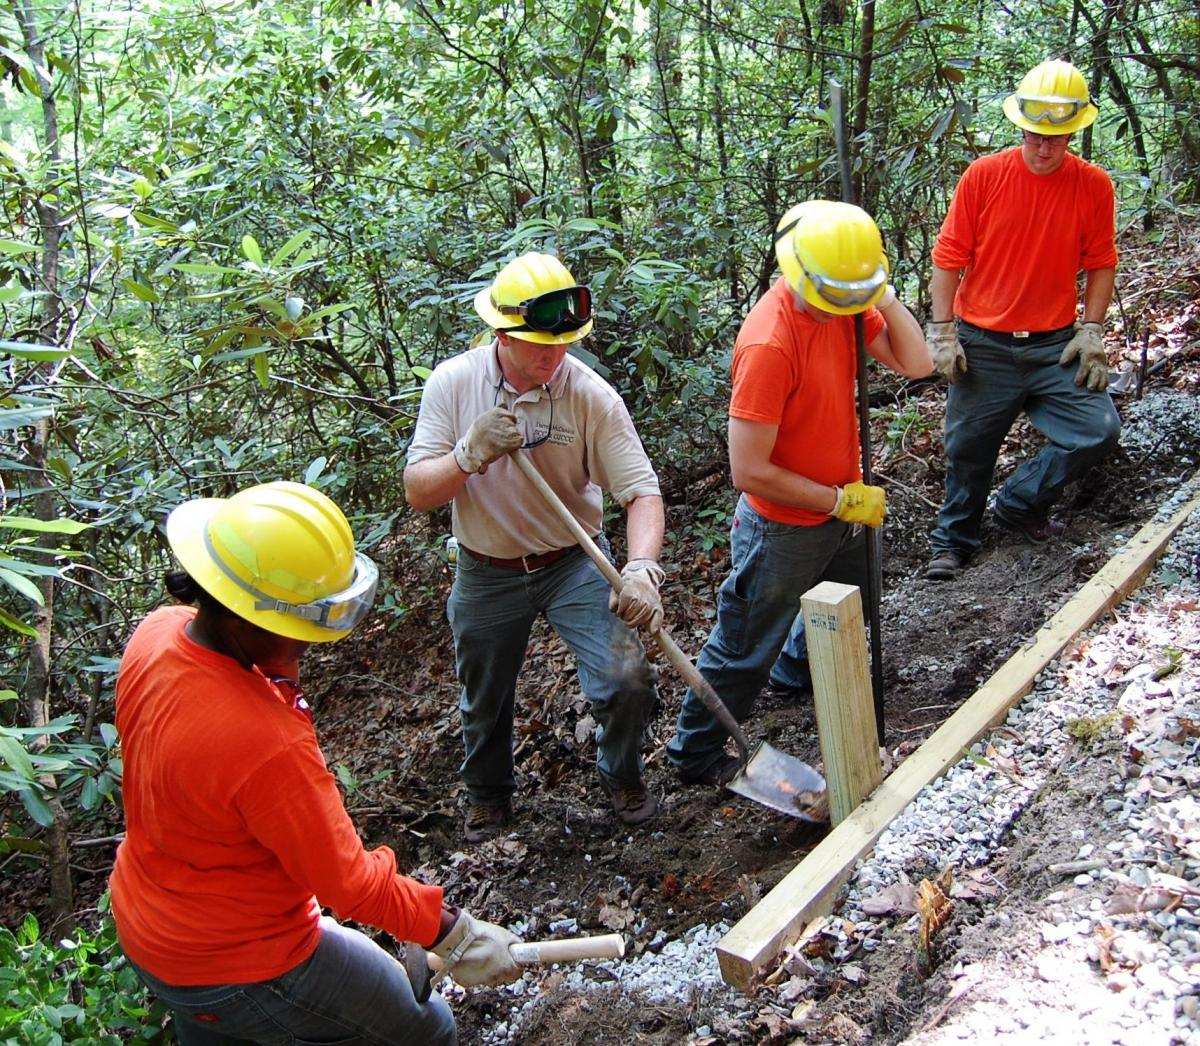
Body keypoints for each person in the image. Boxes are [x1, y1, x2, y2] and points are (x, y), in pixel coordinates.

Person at [109, 481, 523, 1045]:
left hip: (153, 928)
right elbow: (347, 882)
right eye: (301, 628)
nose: (310, 645)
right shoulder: (261, 738)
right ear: (248, 618)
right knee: (427, 1030)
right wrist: (453, 935)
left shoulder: (155, 634)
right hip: (246, 961)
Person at [667, 201, 932, 785]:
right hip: (782, 525)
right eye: (837, 294)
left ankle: (797, 671)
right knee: (744, 645)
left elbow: (918, 362)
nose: (841, 307)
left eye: (851, 294)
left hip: (841, 505)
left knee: (852, 602)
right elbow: (749, 470)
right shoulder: (771, 343)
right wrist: (836, 502)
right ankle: (695, 752)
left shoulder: (844, 303)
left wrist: (877, 294)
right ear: (798, 272)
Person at [403, 252, 665, 842]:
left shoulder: (590, 395)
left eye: (564, 342)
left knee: (626, 679)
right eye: (539, 345)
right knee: (484, 694)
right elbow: (419, 490)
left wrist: (644, 566)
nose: (554, 355)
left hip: (574, 561)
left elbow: (641, 493)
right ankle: (488, 794)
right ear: (502, 333)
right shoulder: (454, 384)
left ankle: (621, 774)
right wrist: (468, 455)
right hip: (487, 567)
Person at [924, 58, 1122, 581]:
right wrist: (942, 331)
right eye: (1034, 135)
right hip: (984, 341)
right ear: (1021, 127)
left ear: (1074, 133)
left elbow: (1101, 262)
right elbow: (948, 259)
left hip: (1054, 344)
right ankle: (953, 542)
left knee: (1097, 430)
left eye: (1055, 139)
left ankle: (1018, 504)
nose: (1043, 148)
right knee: (968, 448)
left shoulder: (1092, 185)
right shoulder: (985, 176)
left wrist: (1092, 329)